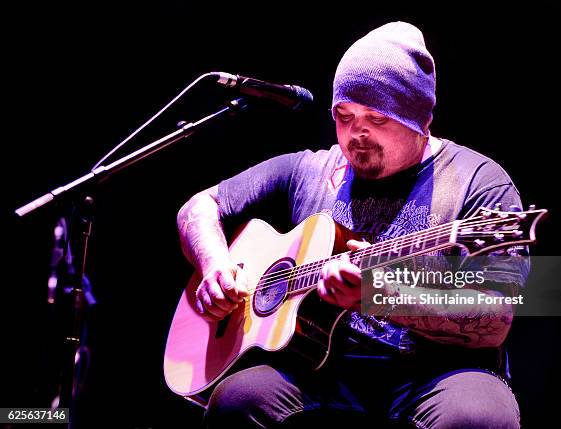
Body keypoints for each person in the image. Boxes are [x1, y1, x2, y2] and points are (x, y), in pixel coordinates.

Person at [177, 21, 527, 428]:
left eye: (377, 119)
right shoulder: (309, 169)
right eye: (344, 115)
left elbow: (496, 317)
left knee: (477, 417)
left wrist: (382, 293)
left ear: (420, 120)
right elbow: (199, 207)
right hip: (319, 369)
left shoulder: (477, 181)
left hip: (436, 373)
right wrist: (215, 265)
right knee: (238, 400)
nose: (357, 133)